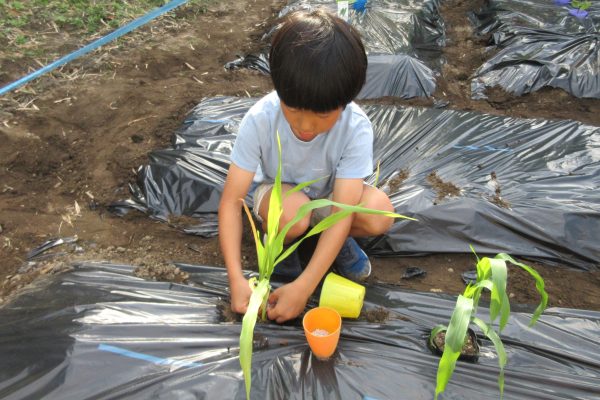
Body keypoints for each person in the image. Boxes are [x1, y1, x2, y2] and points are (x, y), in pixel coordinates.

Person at [218, 9, 394, 323]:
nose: (306, 126)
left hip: (331, 197)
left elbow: (342, 209)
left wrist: (306, 285)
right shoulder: (261, 119)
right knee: (293, 214)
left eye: (322, 116)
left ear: (345, 102)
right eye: (294, 109)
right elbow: (231, 201)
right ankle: (283, 251)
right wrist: (235, 278)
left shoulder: (356, 128)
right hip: (280, 195)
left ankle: (331, 244)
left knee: (378, 212)